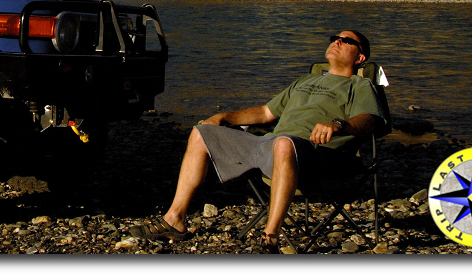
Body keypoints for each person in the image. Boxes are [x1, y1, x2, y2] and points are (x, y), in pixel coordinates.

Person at [129, 30, 387, 253]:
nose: (336, 42)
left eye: (346, 40)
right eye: (335, 38)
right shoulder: (306, 80)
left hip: (317, 155)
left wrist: (339, 125)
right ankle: (175, 218)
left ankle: (270, 237)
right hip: (271, 146)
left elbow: (373, 121)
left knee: (284, 143)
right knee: (201, 132)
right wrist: (224, 116)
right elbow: (266, 113)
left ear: (360, 57)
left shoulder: (360, 86)